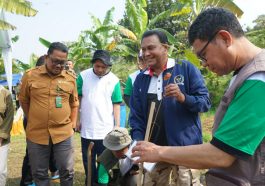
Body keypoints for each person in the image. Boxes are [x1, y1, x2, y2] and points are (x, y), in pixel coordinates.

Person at [132, 8, 265, 186]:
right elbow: (136, 115)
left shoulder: (258, 79)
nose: (204, 64)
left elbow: (222, 154)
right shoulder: (243, 75)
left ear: (225, 38)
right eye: (143, 50)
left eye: (203, 55)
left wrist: (159, 152)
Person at [129, 29, 211, 186]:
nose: (146, 53)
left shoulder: (185, 68)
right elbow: (136, 117)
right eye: (143, 49)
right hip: (154, 153)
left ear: (165, 48)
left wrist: (183, 97)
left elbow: (205, 103)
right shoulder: (141, 79)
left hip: (186, 152)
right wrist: (140, 142)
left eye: (151, 48)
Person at [19, 42, 79, 186]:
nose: (58, 66)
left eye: (62, 63)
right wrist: (34, 118)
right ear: (47, 57)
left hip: (63, 133)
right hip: (37, 133)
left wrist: (72, 124)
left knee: (67, 171)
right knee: (39, 173)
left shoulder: (70, 78)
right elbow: (24, 100)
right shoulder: (30, 75)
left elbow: (74, 103)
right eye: (55, 61)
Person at [76, 49, 123, 184]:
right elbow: (77, 100)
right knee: (88, 162)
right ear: (93, 64)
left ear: (108, 66)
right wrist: (77, 120)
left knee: (104, 163)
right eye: (97, 66)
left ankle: (102, 183)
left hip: (105, 130)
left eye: (103, 67)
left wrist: (117, 125)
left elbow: (116, 104)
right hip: (87, 130)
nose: (100, 69)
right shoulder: (83, 76)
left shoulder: (113, 80)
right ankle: (90, 182)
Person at [20, 55, 59, 186]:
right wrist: (30, 117)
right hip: (33, 121)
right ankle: (27, 180)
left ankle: (39, 177)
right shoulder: (30, 78)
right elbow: (23, 100)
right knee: (32, 150)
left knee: (47, 150)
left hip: (49, 122)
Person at [0, 85, 14, 186]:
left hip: (1, 140)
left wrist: (1, 136)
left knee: (0, 171)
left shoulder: (5, 93)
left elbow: (9, 117)